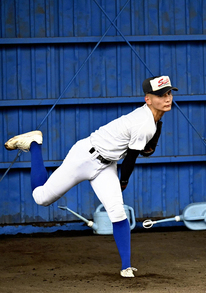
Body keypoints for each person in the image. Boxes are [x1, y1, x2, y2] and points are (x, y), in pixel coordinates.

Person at [4, 75, 178, 276]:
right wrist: (123, 181)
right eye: (160, 95)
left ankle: (126, 267)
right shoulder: (144, 123)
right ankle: (35, 144)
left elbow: (140, 150)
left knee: (117, 212)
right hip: (84, 157)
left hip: (105, 165)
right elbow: (130, 159)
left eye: (169, 93)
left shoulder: (152, 120)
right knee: (41, 198)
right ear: (147, 99)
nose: (167, 98)